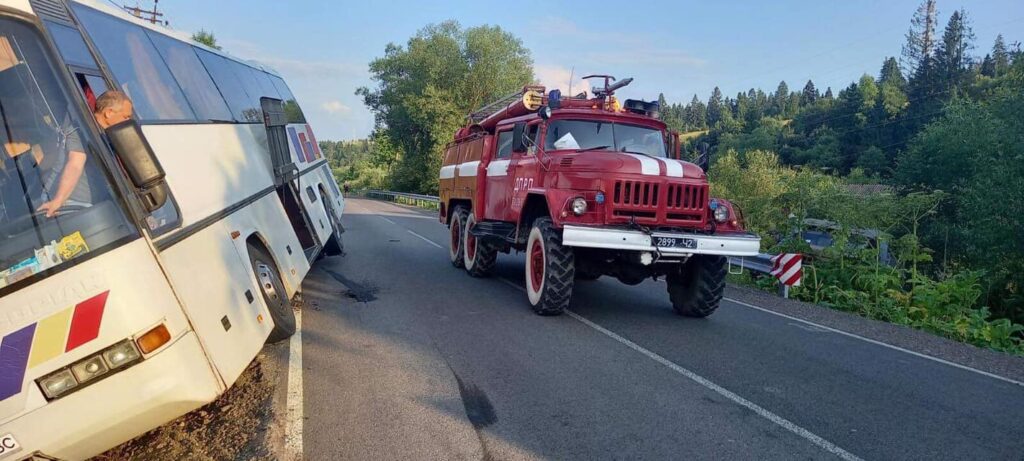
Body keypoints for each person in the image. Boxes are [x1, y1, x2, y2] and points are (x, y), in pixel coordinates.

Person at [35, 90, 132, 217]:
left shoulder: (104, 134)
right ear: (109, 113)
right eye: (126, 117)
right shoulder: (81, 129)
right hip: (69, 202)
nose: (128, 121)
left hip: (90, 202)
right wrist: (58, 201)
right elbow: (75, 164)